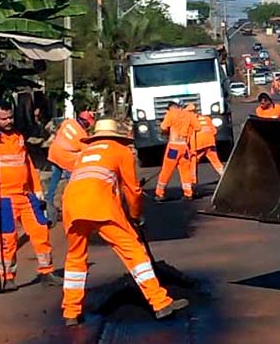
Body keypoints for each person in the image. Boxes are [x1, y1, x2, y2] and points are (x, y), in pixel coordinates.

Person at [61, 119, 188, 327]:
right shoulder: (121, 151)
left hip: (71, 206)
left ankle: (71, 312)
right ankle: (160, 303)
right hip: (100, 206)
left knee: (75, 258)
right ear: (117, 136)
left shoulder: (84, 153)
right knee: (133, 251)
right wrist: (136, 215)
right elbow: (132, 190)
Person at [0, 101, 61, 291]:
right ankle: (7, 276)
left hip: (25, 195)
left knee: (40, 230)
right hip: (3, 197)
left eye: (10, 117)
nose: (8, 121)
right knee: (8, 238)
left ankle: (46, 271)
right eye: (4, 118)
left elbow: (27, 163)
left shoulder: (18, 136)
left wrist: (37, 188)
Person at [45, 110, 96, 226]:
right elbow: (86, 152)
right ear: (84, 122)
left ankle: (49, 200)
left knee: (54, 180)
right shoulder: (81, 135)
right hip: (66, 159)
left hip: (54, 152)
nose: (88, 126)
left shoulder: (68, 122)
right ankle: (70, 206)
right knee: (72, 184)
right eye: (88, 123)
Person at [155, 101, 197, 201]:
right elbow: (197, 127)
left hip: (173, 146)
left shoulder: (171, 114)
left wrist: (167, 131)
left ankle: (159, 193)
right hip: (184, 147)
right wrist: (188, 133)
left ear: (170, 108)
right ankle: (188, 193)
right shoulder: (188, 115)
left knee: (166, 170)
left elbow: (163, 127)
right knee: (185, 170)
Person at [191, 114, 224, 183]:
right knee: (215, 161)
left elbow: (190, 135)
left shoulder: (191, 121)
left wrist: (192, 148)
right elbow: (214, 131)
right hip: (210, 142)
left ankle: (193, 181)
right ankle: (224, 175)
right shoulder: (207, 118)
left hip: (199, 144)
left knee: (193, 161)